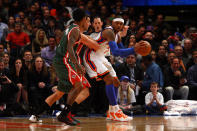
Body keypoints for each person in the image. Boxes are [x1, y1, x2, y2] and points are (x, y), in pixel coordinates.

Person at [29, 8, 100, 125]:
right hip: (64, 61)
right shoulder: (75, 30)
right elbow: (70, 49)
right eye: (88, 21)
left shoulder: (72, 29)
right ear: (83, 20)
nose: (89, 23)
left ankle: (36, 114)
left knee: (61, 92)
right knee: (79, 86)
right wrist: (77, 65)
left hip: (63, 60)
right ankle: (64, 114)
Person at [83, 17, 146, 121]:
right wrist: (134, 49)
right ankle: (115, 110)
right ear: (112, 23)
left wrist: (134, 49)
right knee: (109, 80)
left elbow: (122, 50)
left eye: (121, 24)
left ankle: (112, 112)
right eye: (117, 23)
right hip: (91, 56)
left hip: (101, 56)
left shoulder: (117, 36)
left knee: (116, 82)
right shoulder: (109, 32)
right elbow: (116, 52)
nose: (119, 26)